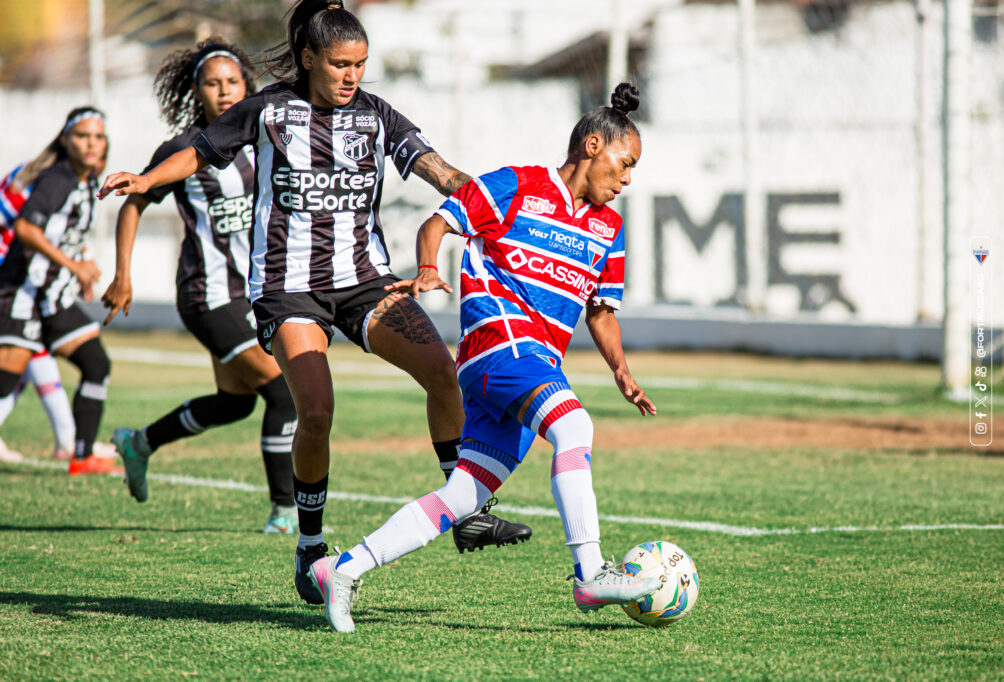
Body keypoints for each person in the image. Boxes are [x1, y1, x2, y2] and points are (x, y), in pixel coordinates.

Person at [98, 0, 531, 603]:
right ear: (308, 58)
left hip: (367, 282)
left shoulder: (376, 115)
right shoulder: (269, 109)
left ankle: (469, 512)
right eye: (339, 64)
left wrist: (506, 206)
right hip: (287, 288)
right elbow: (198, 150)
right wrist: (146, 182)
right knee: (318, 411)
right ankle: (308, 545)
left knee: (443, 373)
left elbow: (440, 172)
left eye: (360, 64)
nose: (352, 76)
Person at [304, 83, 661, 633]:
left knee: (462, 495)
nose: (627, 179)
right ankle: (590, 572)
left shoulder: (609, 229)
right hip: (500, 348)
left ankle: (344, 568)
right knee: (575, 427)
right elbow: (437, 222)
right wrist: (426, 267)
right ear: (593, 145)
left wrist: (621, 370)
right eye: (625, 163)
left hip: (532, 365)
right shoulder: (517, 185)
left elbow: (601, 312)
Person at [101, 38, 301, 534]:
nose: (224, 91)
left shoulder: (261, 142)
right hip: (206, 296)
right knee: (285, 396)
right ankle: (284, 512)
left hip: (251, 294)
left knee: (235, 402)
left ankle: (139, 442)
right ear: (197, 90)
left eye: (232, 81)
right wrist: (122, 275)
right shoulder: (181, 150)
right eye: (212, 83)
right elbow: (135, 203)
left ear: (247, 85)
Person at [0, 106, 119, 475]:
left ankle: (81, 456)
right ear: (66, 140)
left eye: (98, 137)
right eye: (83, 136)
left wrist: (80, 266)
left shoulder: (85, 182)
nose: (91, 144)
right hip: (23, 294)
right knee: (6, 380)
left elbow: (62, 234)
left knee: (96, 363)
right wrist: (75, 267)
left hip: (52, 299)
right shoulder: (59, 178)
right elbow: (26, 230)